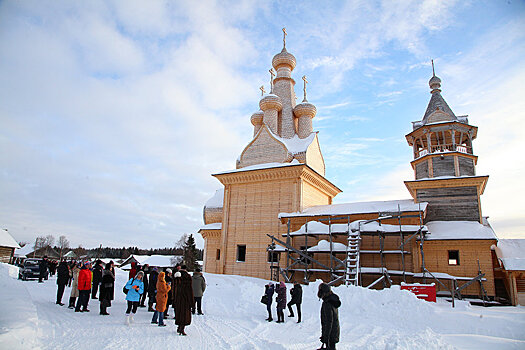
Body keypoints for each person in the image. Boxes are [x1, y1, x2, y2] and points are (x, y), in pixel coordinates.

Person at [317, 283, 341, 350]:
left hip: (330, 334)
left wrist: (325, 337)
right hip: (333, 333)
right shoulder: (332, 301)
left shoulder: (327, 303)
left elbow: (329, 321)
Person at [173, 265, 193, 335]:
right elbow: (189, 290)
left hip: (178, 299)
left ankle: (179, 327)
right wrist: (192, 302)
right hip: (185, 300)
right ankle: (182, 329)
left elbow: (174, 289)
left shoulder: (176, 277)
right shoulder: (187, 278)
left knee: (179, 313)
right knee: (184, 315)